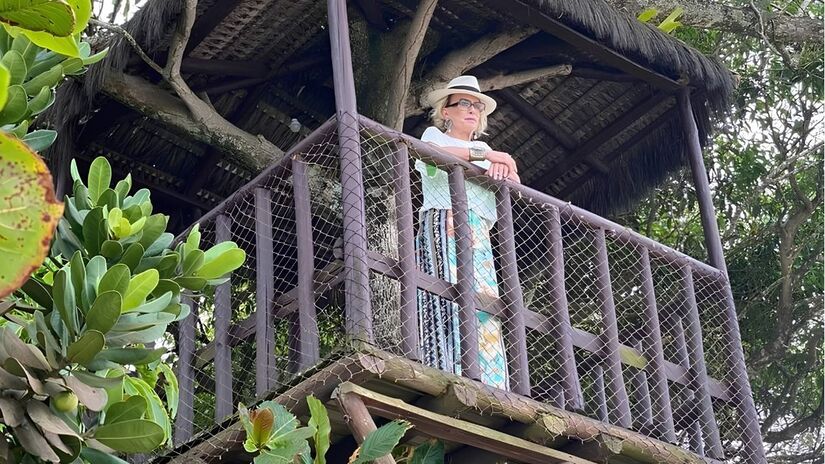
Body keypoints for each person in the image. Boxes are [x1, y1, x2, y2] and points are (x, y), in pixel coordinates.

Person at [415, 75, 519, 391]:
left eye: (476, 105)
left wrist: (506, 164)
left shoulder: (483, 146)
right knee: (448, 293)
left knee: (483, 302)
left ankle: (491, 383)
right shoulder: (435, 135)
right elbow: (428, 152)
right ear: (446, 111)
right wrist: (488, 158)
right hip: (444, 223)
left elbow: (514, 184)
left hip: (478, 234)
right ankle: (447, 370)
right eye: (463, 103)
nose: (472, 110)